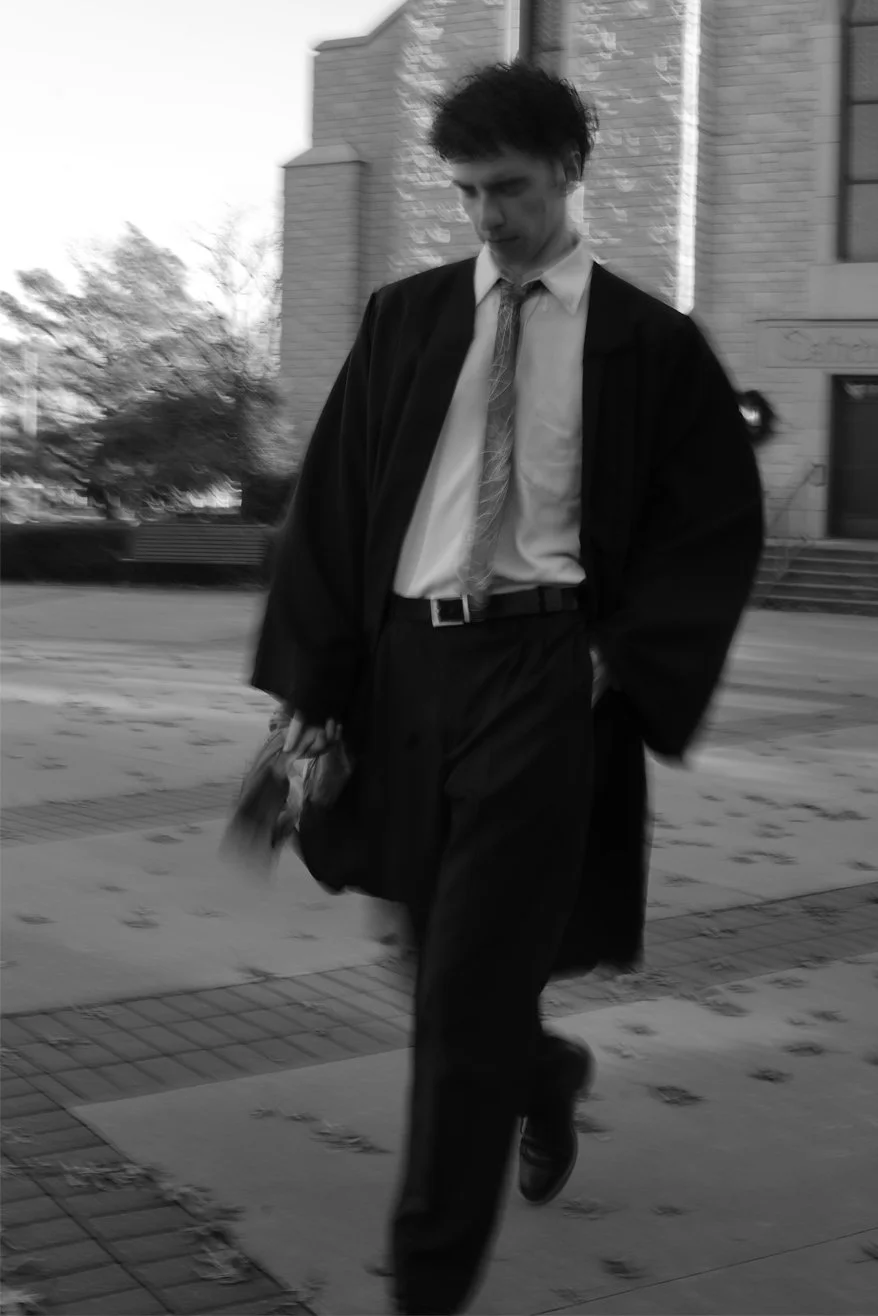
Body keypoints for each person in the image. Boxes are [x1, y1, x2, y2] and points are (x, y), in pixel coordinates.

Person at [251, 62, 763, 1316]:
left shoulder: (646, 341)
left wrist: (617, 658)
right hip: (405, 671)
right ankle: (539, 1073)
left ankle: (423, 1284)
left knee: (466, 987)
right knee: (429, 957)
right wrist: (311, 690)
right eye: (468, 190)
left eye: (511, 188)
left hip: (542, 675)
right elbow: (333, 508)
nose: (487, 215)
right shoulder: (407, 319)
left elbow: (713, 526)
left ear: (569, 173)